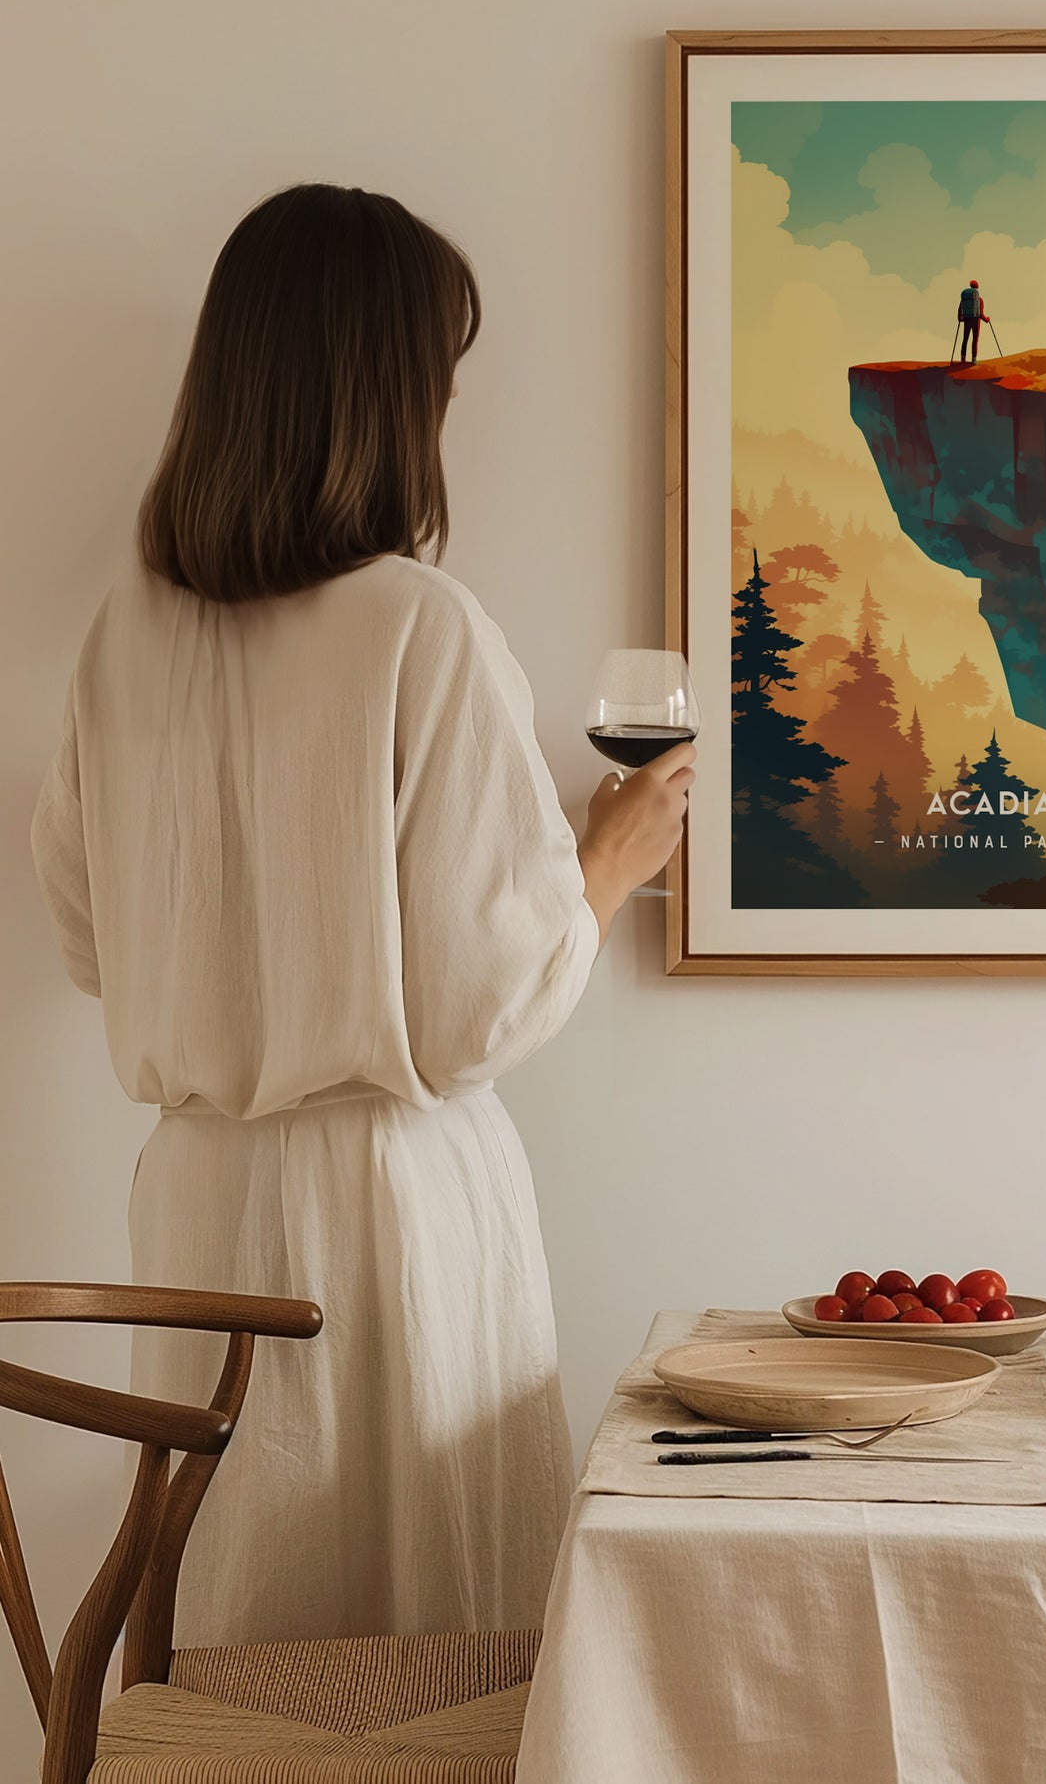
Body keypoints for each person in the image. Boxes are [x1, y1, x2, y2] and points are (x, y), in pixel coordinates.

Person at [30, 183, 690, 1645]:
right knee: (425, 1649)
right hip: (391, 1210)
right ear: (387, 394)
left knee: (240, 1629)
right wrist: (606, 857)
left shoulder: (122, 635)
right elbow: (475, 1010)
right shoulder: (418, 624)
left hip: (196, 1199)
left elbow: (88, 938)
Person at [954, 277, 989, 365]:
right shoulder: (980, 300)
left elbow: (959, 309)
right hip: (976, 321)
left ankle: (963, 358)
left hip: (966, 320)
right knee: (975, 339)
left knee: (965, 339)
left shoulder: (965, 299)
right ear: (977, 287)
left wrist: (960, 319)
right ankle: (974, 359)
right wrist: (986, 320)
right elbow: (980, 314)